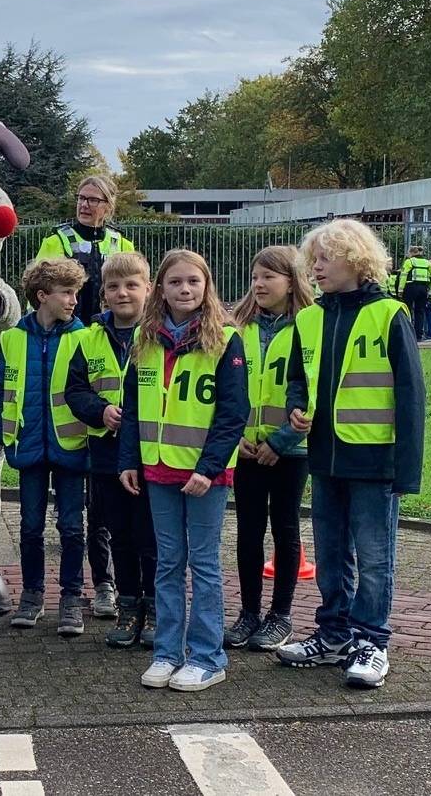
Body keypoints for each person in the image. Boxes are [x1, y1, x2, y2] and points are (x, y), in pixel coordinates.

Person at [274, 219, 425, 690]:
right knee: (332, 552)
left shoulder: (389, 314)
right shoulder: (308, 318)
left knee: (376, 558)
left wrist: (407, 470)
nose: (314, 267)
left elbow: (411, 395)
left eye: (325, 258)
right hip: (325, 459)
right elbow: (299, 379)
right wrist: (297, 408)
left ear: (356, 261)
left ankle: (372, 641)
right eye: (312, 259)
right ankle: (334, 634)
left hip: (373, 461)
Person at [119, 249, 248, 693]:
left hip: (203, 476)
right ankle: (167, 653)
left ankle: (209, 657)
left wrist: (209, 468)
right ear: (161, 288)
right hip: (157, 470)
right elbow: (133, 406)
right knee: (168, 563)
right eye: (175, 282)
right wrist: (128, 461)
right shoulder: (145, 339)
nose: (185, 289)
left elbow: (234, 414)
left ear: (207, 286)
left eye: (194, 281)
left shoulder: (226, 340)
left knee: (204, 564)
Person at [34, 174, 137, 618]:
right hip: (78, 338)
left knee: (114, 505)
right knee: (90, 501)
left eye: (95, 200)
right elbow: (41, 281)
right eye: (81, 198)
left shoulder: (121, 241)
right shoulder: (57, 238)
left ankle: (118, 585)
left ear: (109, 205)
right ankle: (98, 585)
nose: (86, 205)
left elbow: (134, 283)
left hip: (114, 337)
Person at [60, 251, 157, 649]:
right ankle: (128, 607)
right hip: (105, 454)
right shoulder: (88, 338)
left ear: (148, 290)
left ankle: (154, 611)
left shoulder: (160, 336)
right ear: (103, 293)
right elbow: (74, 390)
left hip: (151, 452)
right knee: (119, 534)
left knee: (150, 536)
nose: (122, 293)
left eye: (132, 285)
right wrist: (100, 411)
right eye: (114, 286)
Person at [225, 246, 313, 653]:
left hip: (291, 452)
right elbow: (225, 389)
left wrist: (280, 442)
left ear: (291, 281)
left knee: (285, 529)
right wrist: (236, 437)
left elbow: (310, 389)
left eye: (269, 277)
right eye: (255, 276)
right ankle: (248, 613)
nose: (259, 285)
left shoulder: (307, 328)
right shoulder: (236, 328)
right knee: (248, 532)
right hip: (245, 450)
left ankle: (281, 615)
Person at [0, 257, 91, 635]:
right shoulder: (11, 338)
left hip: (71, 445)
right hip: (29, 447)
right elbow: (2, 392)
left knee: (71, 527)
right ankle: (32, 594)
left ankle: (72, 598)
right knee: (30, 526)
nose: (73, 300)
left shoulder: (85, 337)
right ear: (42, 296)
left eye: (76, 293)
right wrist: (5, 437)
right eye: (66, 293)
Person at [396, 245, 431, 340]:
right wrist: (430, 291)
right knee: (420, 312)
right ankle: (418, 335)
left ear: (411, 253)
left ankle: (407, 333)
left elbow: (403, 276)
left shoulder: (409, 262)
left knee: (407, 310)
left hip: (410, 287)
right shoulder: (428, 264)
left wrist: (400, 290)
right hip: (424, 289)